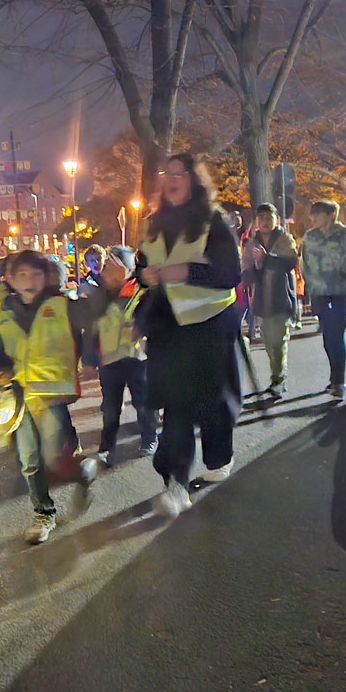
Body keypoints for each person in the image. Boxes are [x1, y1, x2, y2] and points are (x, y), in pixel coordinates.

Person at [138, 153, 241, 516]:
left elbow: (230, 274)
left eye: (180, 173)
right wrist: (143, 275)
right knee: (176, 406)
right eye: (166, 173)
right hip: (168, 331)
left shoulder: (214, 221)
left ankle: (219, 457)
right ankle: (176, 482)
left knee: (214, 406)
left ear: (194, 180)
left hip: (209, 327)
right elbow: (143, 266)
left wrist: (187, 271)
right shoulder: (153, 224)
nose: (172, 179)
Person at [0, 250, 98, 544]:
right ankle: (44, 513)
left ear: (46, 277)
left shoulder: (63, 306)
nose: (29, 281)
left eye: (35, 274)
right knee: (29, 460)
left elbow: (93, 321)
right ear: (10, 279)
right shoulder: (1, 312)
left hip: (52, 396)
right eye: (21, 275)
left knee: (58, 460)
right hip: (19, 396)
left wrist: (89, 358)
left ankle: (83, 473)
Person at [87, 246, 157, 466]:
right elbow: (91, 329)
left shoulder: (140, 291)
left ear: (126, 269)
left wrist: (141, 328)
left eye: (112, 265)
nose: (106, 270)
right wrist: (89, 360)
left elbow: (151, 316)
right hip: (109, 361)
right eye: (107, 265)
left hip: (136, 358)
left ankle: (149, 438)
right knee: (110, 408)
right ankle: (106, 447)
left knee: (143, 403)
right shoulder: (99, 294)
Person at [301, 200, 346, 401]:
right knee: (328, 337)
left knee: (337, 335)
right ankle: (333, 377)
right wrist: (310, 285)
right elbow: (304, 263)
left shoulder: (344, 233)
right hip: (319, 293)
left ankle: (339, 381)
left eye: (316, 214)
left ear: (330, 215)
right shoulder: (310, 236)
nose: (312, 218)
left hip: (338, 292)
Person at [240, 203, 298, 398]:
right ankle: (278, 375)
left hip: (281, 296)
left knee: (279, 340)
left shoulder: (284, 239)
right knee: (268, 341)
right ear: (256, 221)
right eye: (261, 218)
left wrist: (268, 258)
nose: (265, 222)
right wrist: (255, 267)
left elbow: (290, 262)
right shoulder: (251, 243)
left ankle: (278, 380)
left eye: (268, 218)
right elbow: (246, 271)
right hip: (261, 299)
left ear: (276, 220)